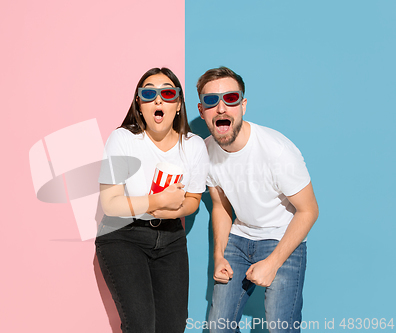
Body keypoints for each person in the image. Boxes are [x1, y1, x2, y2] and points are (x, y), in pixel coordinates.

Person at [196, 67, 319, 333]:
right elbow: (220, 206)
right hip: (239, 240)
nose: (220, 108)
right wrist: (218, 256)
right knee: (219, 328)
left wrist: (273, 263)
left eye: (230, 98)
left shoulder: (277, 151)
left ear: (243, 105)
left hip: (282, 237)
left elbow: (309, 211)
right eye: (210, 101)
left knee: (280, 328)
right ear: (201, 110)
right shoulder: (205, 151)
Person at [95, 67, 209, 333]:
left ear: (178, 104)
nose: (158, 100)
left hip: (171, 239)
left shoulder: (193, 145)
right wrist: (158, 201)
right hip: (123, 236)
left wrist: (169, 213)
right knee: (141, 326)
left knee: (173, 327)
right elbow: (111, 204)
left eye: (168, 93)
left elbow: (192, 200)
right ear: (139, 104)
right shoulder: (122, 139)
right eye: (149, 93)